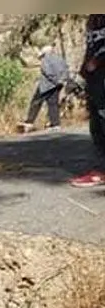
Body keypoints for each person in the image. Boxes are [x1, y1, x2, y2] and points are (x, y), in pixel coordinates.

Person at [70, 15, 105, 188]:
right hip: (95, 78)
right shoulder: (93, 19)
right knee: (96, 122)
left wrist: (98, 60)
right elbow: (91, 46)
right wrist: (84, 67)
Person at [18, 45, 70, 133]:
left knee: (36, 102)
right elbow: (66, 70)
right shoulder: (60, 59)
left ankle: (29, 122)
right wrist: (61, 81)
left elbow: (47, 72)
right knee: (53, 104)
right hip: (57, 85)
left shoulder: (46, 59)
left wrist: (55, 80)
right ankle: (55, 124)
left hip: (46, 85)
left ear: (45, 53)